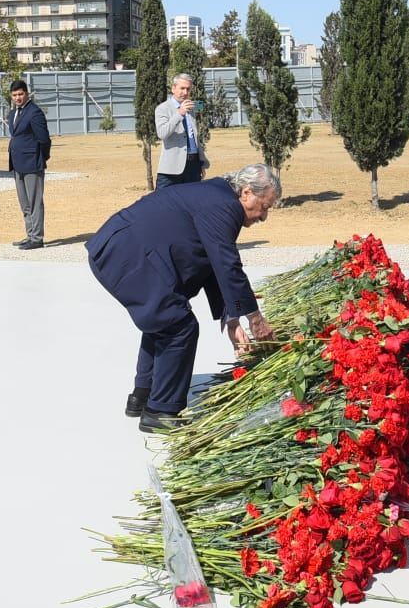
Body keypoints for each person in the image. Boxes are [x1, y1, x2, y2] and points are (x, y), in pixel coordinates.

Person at [87, 164, 280, 433]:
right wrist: (255, 318)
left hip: (121, 248)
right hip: (127, 254)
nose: (264, 216)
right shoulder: (224, 206)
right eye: (265, 206)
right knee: (179, 327)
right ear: (247, 192)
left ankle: (143, 395)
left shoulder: (219, 195)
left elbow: (214, 264)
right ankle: (161, 411)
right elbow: (227, 265)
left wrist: (232, 318)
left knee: (164, 319)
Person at [6, 79, 50, 250]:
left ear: (26, 93)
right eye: (15, 95)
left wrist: (42, 157)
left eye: (20, 94)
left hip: (32, 163)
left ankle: (37, 238)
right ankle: (30, 234)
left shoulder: (34, 112)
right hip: (17, 164)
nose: (18, 97)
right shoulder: (13, 113)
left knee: (34, 202)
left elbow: (44, 139)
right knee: (24, 203)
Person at [154, 73, 208, 188]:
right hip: (171, 168)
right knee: (162, 202)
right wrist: (179, 113)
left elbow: (194, 137)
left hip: (193, 165)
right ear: (173, 88)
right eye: (182, 88)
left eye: (188, 89)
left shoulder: (191, 107)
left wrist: (201, 163)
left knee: (192, 203)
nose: (185, 92)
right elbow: (162, 133)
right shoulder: (162, 108)